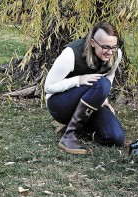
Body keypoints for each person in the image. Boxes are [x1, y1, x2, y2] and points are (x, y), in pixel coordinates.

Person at [44, 21, 125, 155]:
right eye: (105, 47)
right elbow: (48, 87)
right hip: (59, 105)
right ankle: (69, 134)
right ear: (93, 42)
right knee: (102, 83)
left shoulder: (116, 54)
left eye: (114, 47)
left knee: (116, 137)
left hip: (87, 104)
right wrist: (78, 80)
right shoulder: (71, 54)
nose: (110, 52)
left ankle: (78, 125)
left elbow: (110, 76)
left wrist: (102, 99)